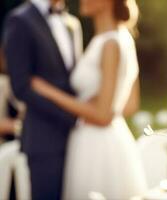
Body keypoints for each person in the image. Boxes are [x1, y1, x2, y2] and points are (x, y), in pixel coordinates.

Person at [31, 0, 148, 198]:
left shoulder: (109, 44)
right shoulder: (122, 38)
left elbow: (103, 115)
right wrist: (97, 103)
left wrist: (47, 91)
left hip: (95, 145)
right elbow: (129, 105)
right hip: (114, 138)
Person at [2, 0, 83, 199]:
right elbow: (21, 86)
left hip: (80, 140)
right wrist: (72, 116)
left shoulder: (72, 23)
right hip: (44, 141)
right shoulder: (19, 20)